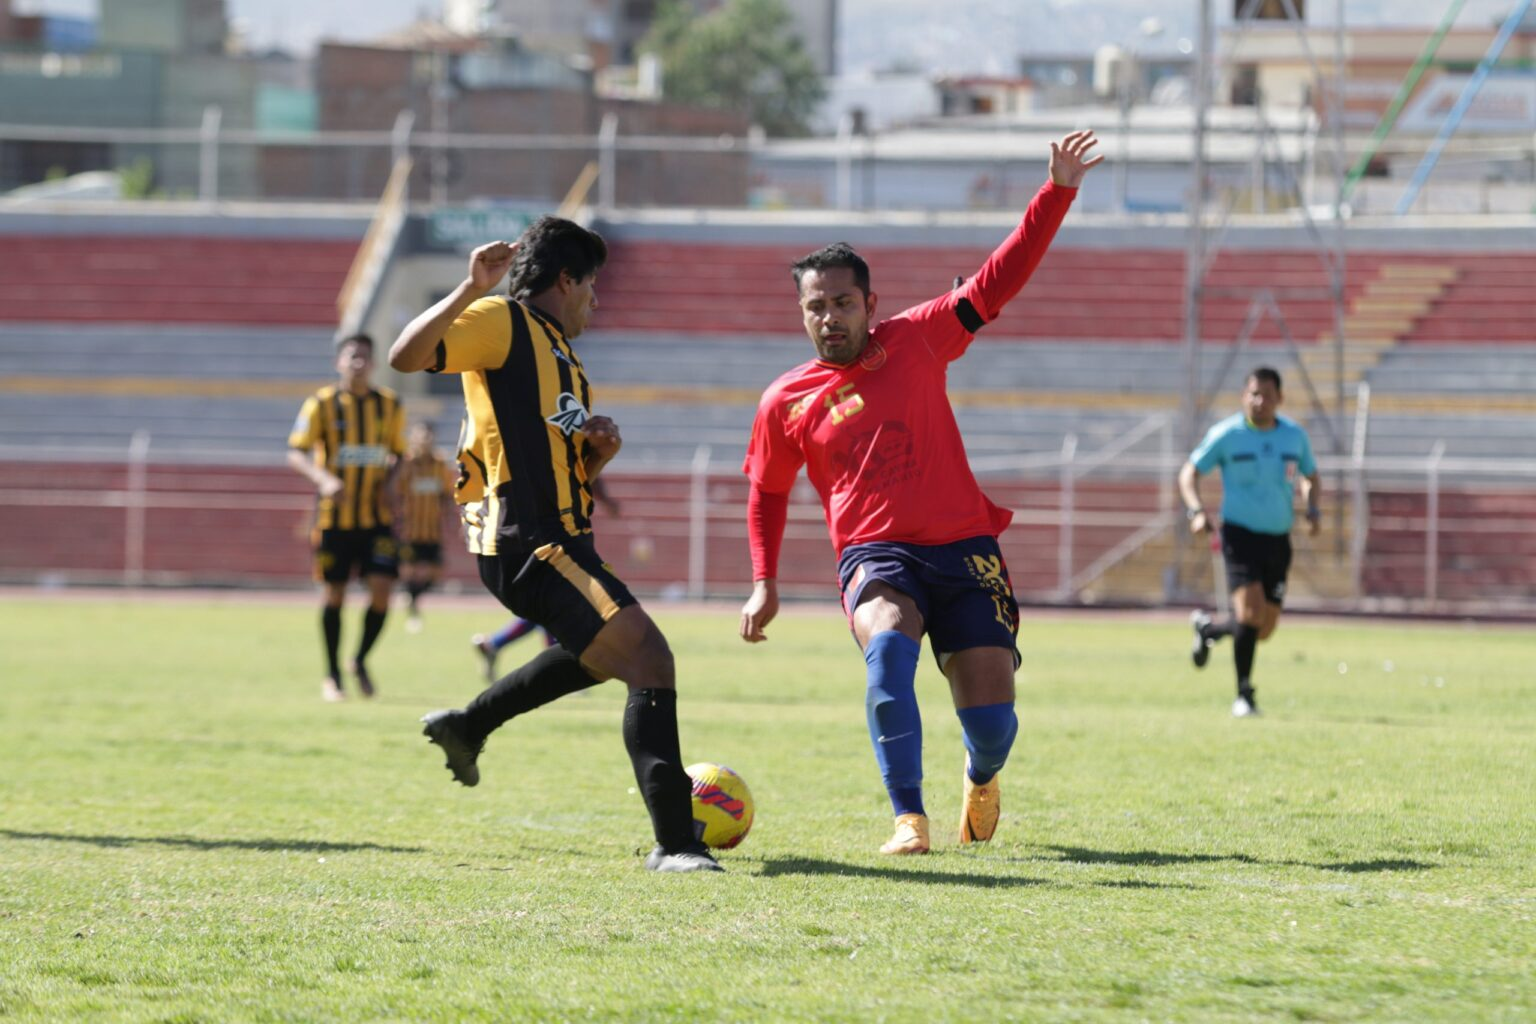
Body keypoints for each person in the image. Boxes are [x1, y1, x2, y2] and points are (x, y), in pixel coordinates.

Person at [738, 131, 1103, 855]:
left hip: (965, 548)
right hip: (876, 556)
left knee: (993, 725)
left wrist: (1056, 191)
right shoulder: (784, 400)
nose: (829, 318)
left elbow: (996, 281)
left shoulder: (917, 338)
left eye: (843, 303)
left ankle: (981, 774)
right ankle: (909, 818)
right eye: (816, 306)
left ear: (869, 303)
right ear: (802, 312)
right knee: (887, 650)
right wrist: (763, 582)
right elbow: (767, 492)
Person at [388, 216, 722, 873]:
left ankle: (468, 726)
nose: (595, 300)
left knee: (597, 658)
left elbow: (563, 471)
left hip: (563, 534)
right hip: (527, 539)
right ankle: (677, 844)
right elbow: (405, 356)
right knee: (649, 657)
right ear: (566, 280)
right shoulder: (503, 320)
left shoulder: (565, 357)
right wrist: (469, 288)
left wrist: (596, 456)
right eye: (592, 285)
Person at [1179, 367, 1321, 718]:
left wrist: (1313, 507)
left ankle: (1209, 629)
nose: (1260, 401)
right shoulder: (1227, 434)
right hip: (1239, 535)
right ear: (1244, 396)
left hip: (1278, 539)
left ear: (1279, 398)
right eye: (1254, 394)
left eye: (1267, 395)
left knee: (1263, 628)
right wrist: (1196, 511)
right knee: (1249, 612)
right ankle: (1244, 694)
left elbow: (1310, 476)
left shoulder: (1294, 436)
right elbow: (1189, 473)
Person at [286, 333, 405, 701]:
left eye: (364, 356)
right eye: (352, 356)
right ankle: (332, 674)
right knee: (334, 593)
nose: (358, 362)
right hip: (334, 520)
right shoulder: (321, 404)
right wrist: (323, 479)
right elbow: (296, 452)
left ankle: (360, 659)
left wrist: (391, 483)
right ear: (339, 362)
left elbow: (400, 454)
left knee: (382, 591)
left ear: (374, 363)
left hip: (376, 518)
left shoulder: (389, 405)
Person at [469, 477, 621, 680]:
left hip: (544, 532)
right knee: (552, 601)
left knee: (547, 605)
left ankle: (498, 646)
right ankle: (558, 668)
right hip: (546, 534)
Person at [395, 421, 457, 633]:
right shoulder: (405, 463)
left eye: (428, 437)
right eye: (420, 436)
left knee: (435, 573)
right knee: (408, 570)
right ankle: (413, 610)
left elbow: (446, 494)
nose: (424, 441)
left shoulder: (440, 463)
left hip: (432, 529)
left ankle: (411, 599)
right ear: (413, 438)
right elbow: (396, 493)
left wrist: (450, 518)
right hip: (409, 530)